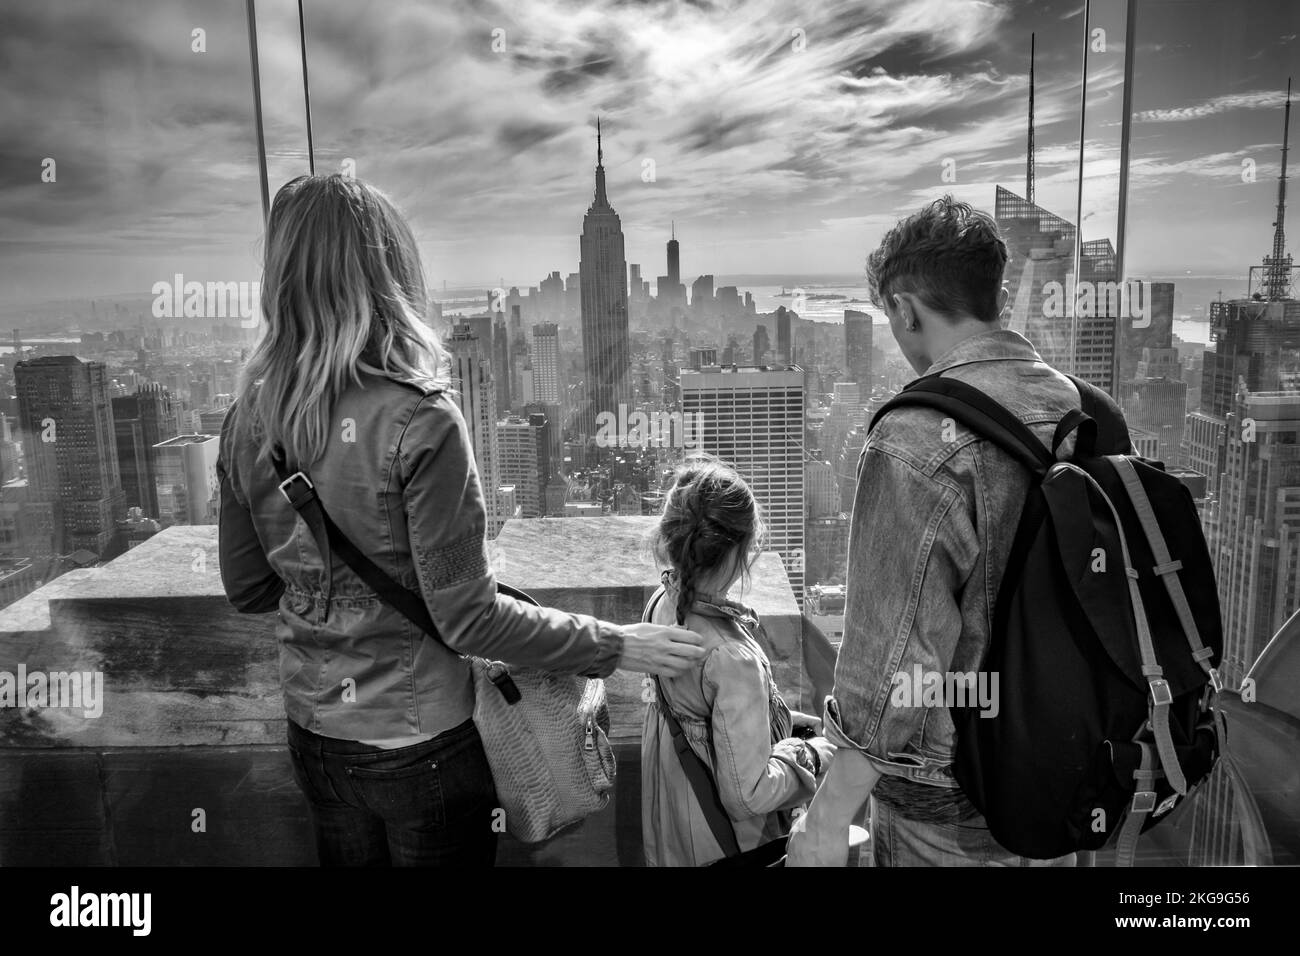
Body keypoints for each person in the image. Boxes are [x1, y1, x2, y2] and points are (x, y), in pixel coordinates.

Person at [217, 173, 706, 867]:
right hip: (421, 749)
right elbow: (468, 621)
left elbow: (248, 588)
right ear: (389, 271)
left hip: (317, 738)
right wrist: (617, 645)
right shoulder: (419, 417)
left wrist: (325, 586)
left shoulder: (249, 414)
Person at [788, 196, 1098, 866]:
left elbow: (891, 672)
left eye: (891, 321)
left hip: (948, 802)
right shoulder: (1076, 405)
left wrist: (825, 820)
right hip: (1062, 779)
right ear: (996, 294)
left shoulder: (914, 438)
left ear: (904, 309)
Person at [641, 458, 833, 866]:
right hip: (725, 846)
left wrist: (777, 719)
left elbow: (702, 720)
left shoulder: (664, 601)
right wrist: (813, 754)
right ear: (741, 550)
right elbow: (749, 794)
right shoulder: (731, 656)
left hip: (676, 826)